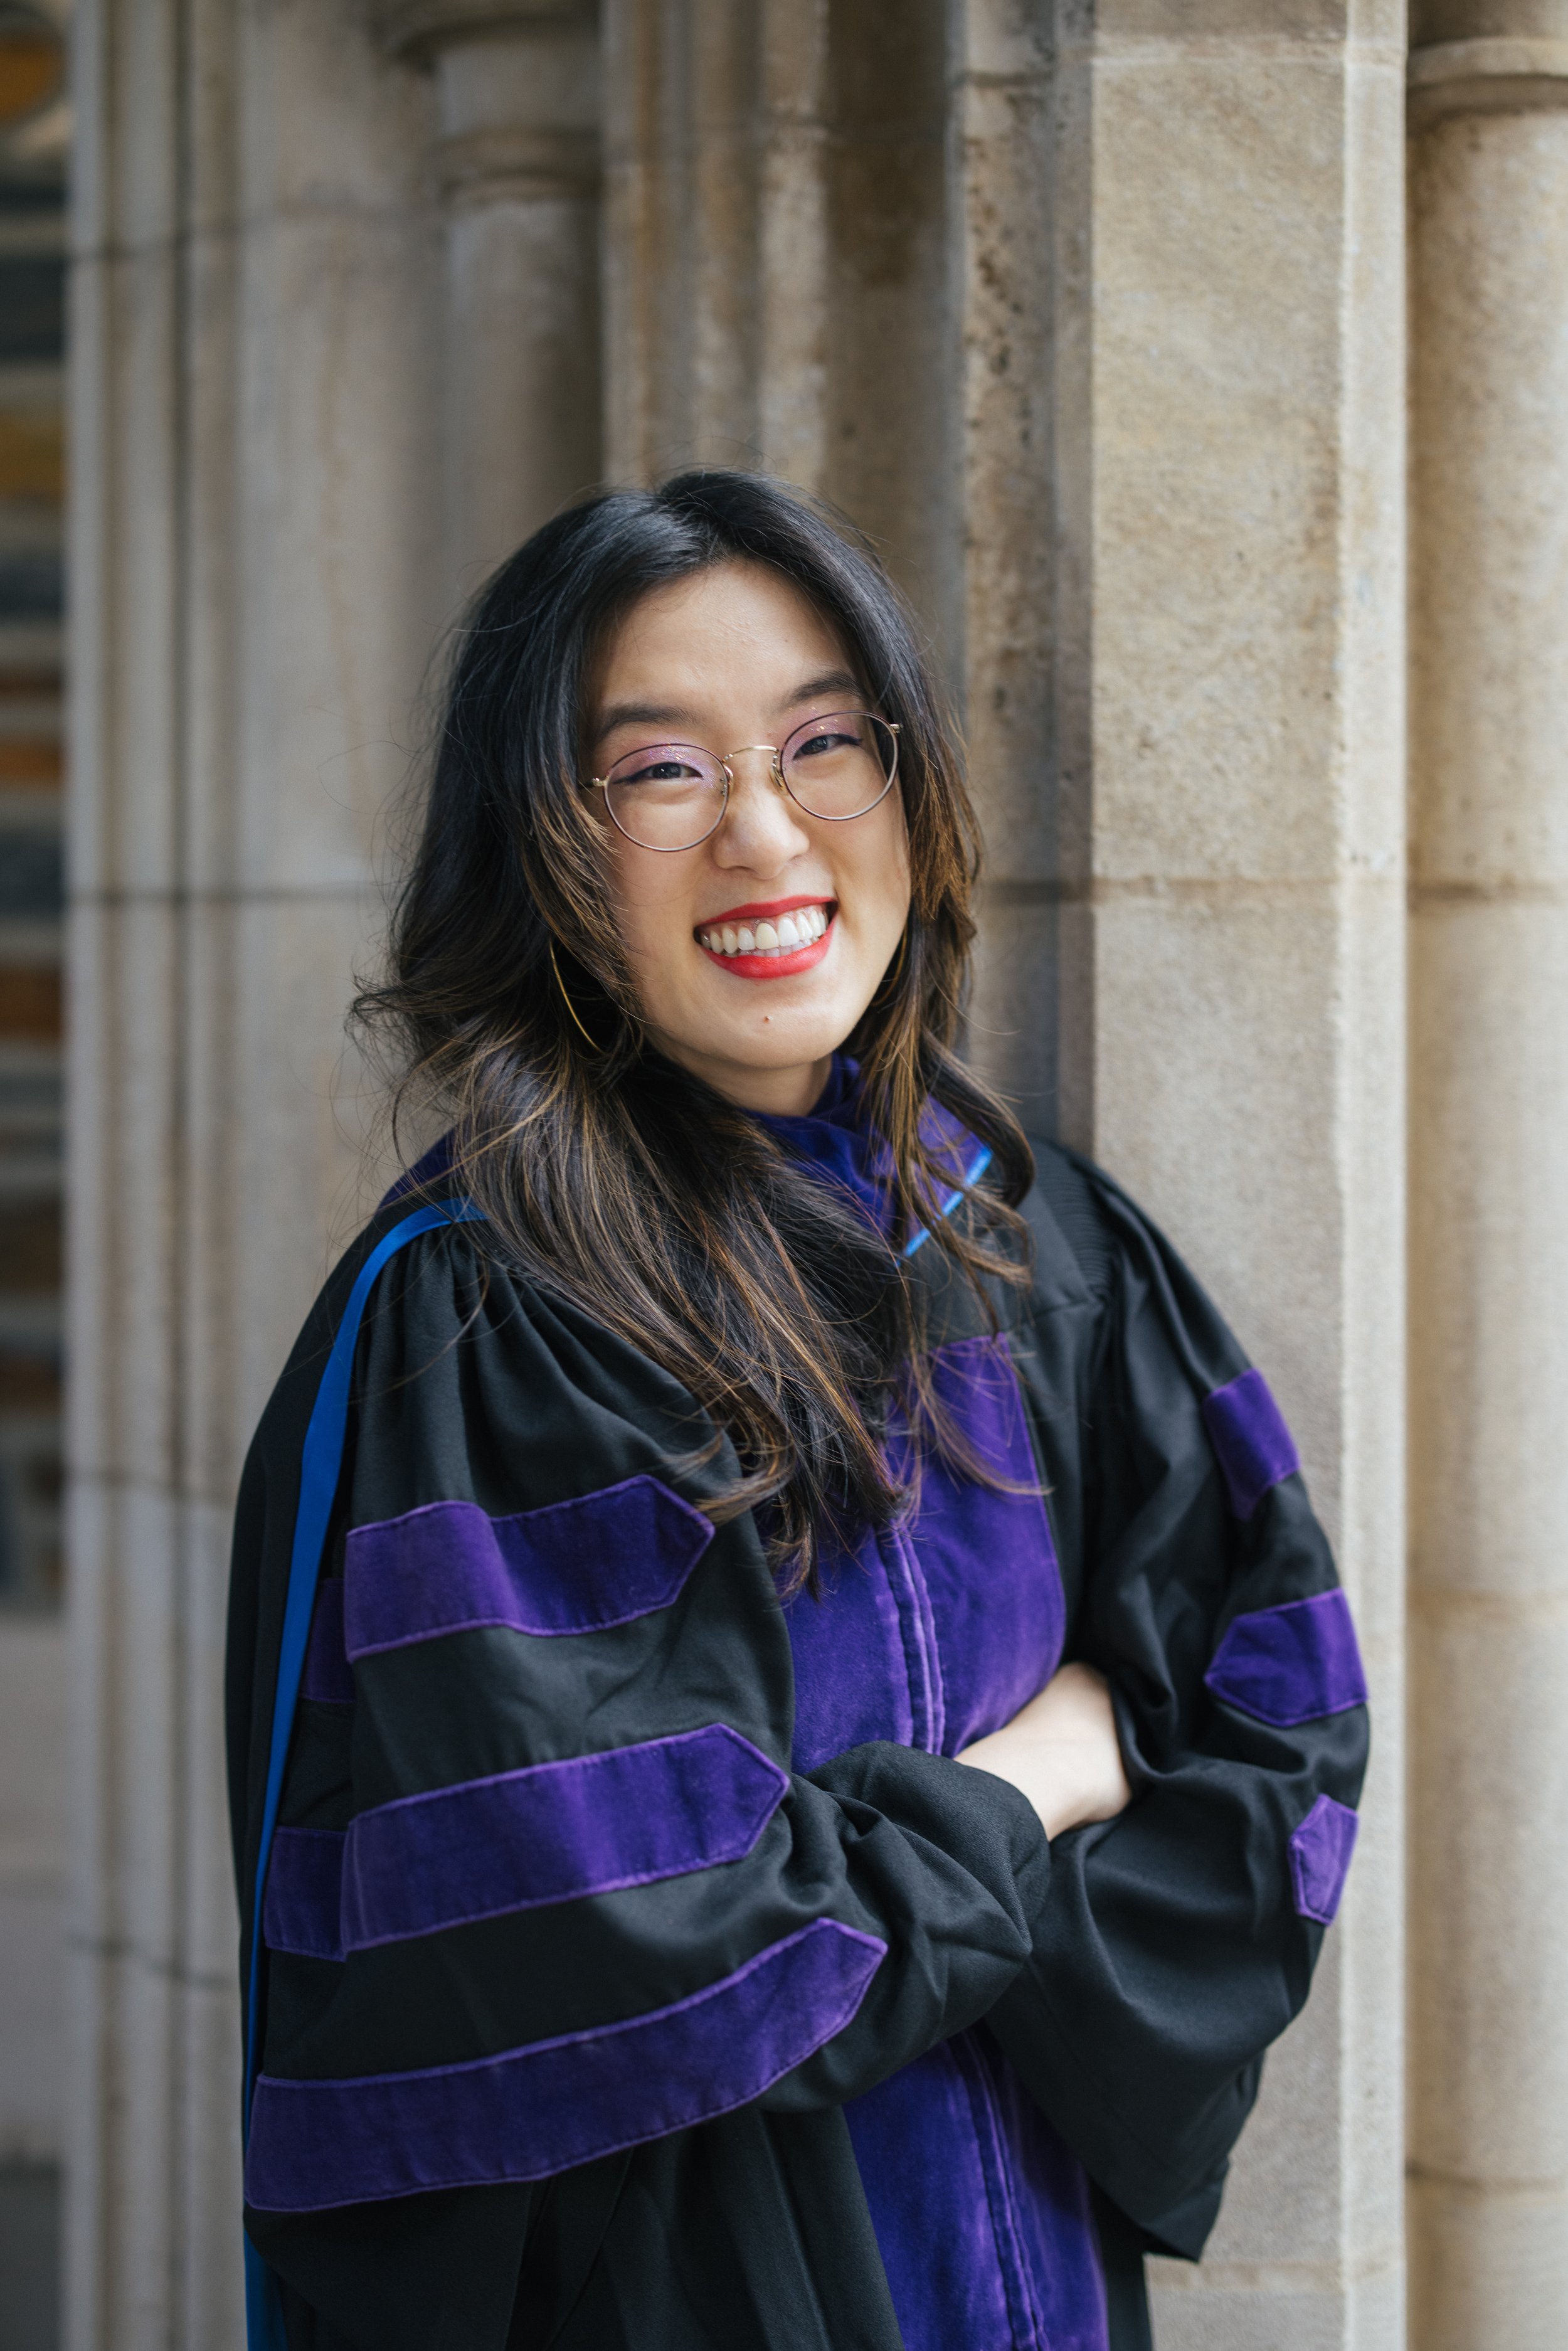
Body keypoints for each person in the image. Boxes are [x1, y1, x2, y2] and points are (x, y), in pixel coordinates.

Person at [226, 471, 1369, 2351]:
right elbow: (640, 1954)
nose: (764, 832)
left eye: (826, 741)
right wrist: (1032, 1784)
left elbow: (1267, 1707)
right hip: (695, 2295)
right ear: (540, 849)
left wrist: (916, 1890)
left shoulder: (1023, 1239)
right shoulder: (494, 1319)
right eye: (655, 772)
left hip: (1024, 2267)